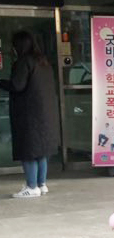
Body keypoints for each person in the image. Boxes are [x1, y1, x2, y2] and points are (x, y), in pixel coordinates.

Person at [0, 31, 59, 198]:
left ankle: (32, 187)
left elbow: (17, 85)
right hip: (45, 113)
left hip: (29, 114)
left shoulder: (24, 62)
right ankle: (41, 184)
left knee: (28, 150)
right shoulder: (43, 61)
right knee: (41, 151)